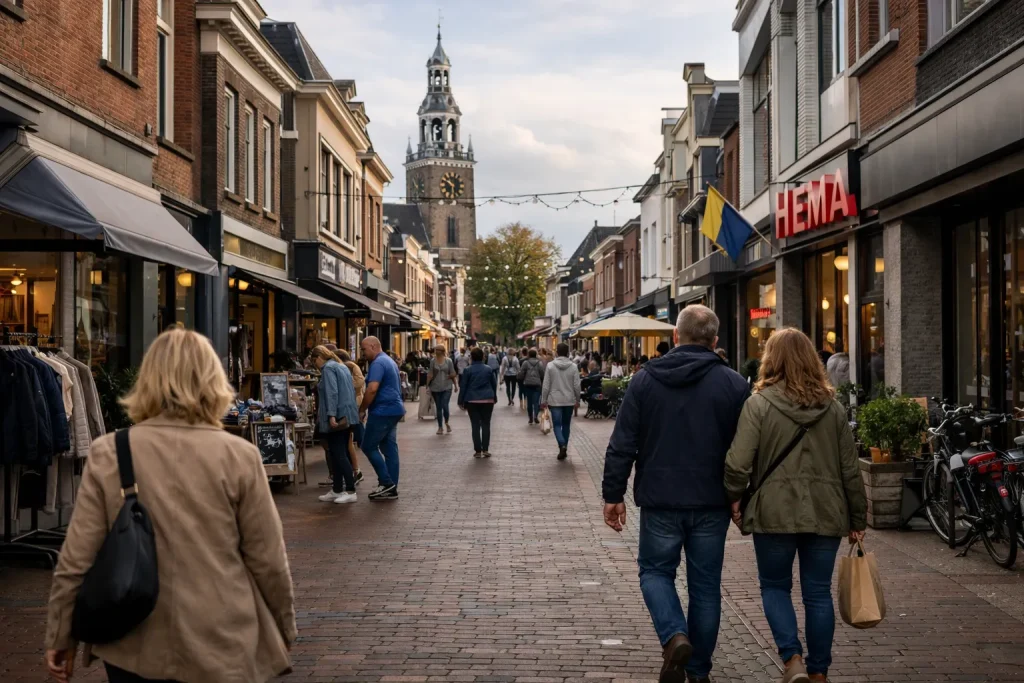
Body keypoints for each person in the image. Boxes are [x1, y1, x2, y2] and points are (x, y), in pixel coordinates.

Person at [44, 329, 295, 683]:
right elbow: (268, 558)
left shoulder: (111, 452)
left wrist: (61, 635)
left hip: (134, 638)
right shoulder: (239, 455)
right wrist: (284, 626)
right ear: (212, 380)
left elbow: (76, 558)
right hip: (221, 633)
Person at [602, 305, 749, 683]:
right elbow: (746, 449)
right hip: (711, 501)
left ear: (676, 337)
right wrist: (740, 493)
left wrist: (613, 493)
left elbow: (623, 443)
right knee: (705, 588)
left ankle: (674, 636)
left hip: (660, 498)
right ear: (715, 341)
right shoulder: (733, 384)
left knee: (655, 572)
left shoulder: (644, 380)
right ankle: (698, 671)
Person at [724, 328, 867, 683]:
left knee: (775, 587)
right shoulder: (832, 409)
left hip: (773, 511)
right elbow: (850, 467)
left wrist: (734, 496)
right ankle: (819, 671)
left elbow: (738, 463)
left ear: (771, 360)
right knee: (818, 592)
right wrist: (858, 516)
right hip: (827, 510)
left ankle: (792, 660)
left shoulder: (758, 405)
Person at [311, 346, 360, 504]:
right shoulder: (341, 366)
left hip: (337, 416)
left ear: (318, 358)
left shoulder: (328, 369)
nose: (316, 366)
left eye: (314, 362)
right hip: (347, 415)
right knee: (337, 452)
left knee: (338, 453)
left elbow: (332, 393)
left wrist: (331, 415)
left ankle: (350, 490)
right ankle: (338, 489)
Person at [359, 336, 405, 501]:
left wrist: (362, 409)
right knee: (389, 448)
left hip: (382, 411)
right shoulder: (389, 360)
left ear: (373, 346)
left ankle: (386, 483)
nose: (362, 353)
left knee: (368, 446)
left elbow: (372, 389)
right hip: (394, 409)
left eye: (363, 349)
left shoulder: (378, 363)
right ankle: (391, 486)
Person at [541, 343, 582, 460]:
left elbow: (546, 385)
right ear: (568, 352)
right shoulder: (573, 367)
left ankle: (562, 445)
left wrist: (544, 400)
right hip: (569, 400)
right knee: (566, 424)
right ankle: (564, 447)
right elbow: (577, 385)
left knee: (557, 425)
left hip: (555, 400)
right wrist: (577, 399)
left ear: (557, 352)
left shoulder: (550, 366)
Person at [458, 347, 498, 457]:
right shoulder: (488, 369)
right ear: (483, 357)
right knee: (486, 424)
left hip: (472, 400)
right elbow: (494, 384)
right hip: (487, 399)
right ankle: (485, 449)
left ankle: (477, 451)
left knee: (475, 425)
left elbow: (463, 386)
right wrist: (494, 397)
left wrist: (460, 400)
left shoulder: (468, 370)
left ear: (472, 357)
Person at [337, 349, 365, 486]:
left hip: (352, 404)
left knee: (349, 439)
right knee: (348, 441)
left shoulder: (350, 366)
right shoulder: (347, 367)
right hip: (352, 404)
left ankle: (354, 472)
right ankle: (352, 471)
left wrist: (344, 387)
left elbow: (359, 383)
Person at [428, 345, 457, 435]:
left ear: (442, 351)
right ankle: (440, 427)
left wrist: (455, 385)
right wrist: (427, 385)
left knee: (445, 405)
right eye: (435, 349)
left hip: (447, 386)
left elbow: (453, 373)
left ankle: (447, 423)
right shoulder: (432, 361)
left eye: (438, 350)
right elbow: (430, 373)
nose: (436, 351)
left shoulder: (448, 361)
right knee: (439, 407)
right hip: (435, 387)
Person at [517, 348, 545, 425]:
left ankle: (530, 417)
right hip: (537, 384)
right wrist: (541, 380)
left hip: (528, 384)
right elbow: (542, 373)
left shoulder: (525, 363)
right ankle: (536, 414)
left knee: (529, 401)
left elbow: (522, 373)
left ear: (529, 355)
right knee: (536, 401)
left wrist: (520, 379)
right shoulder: (539, 363)